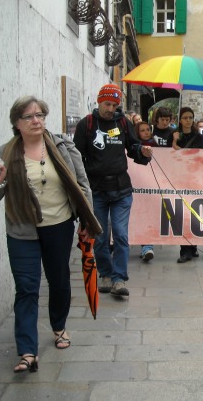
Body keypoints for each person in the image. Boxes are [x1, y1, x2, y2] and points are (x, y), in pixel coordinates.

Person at [0, 96, 101, 373]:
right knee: (27, 288)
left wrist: (87, 218)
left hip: (59, 225)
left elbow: (81, 183)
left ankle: (59, 327)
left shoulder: (62, 147)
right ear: (16, 123)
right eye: (29, 117)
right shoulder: (3, 152)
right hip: (21, 229)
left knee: (59, 279)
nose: (36, 120)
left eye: (40, 114)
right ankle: (28, 351)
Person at [74, 83, 153, 297]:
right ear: (99, 101)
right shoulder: (87, 125)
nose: (110, 108)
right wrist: (80, 188)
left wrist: (143, 152)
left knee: (120, 234)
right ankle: (106, 275)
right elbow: (76, 158)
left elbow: (133, 148)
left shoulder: (123, 123)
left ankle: (119, 279)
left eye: (114, 104)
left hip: (121, 190)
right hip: (97, 190)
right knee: (100, 236)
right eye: (107, 103)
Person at [172, 107, 203, 263]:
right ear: (180, 120)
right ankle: (184, 250)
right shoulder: (175, 136)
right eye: (185, 117)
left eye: (190, 117)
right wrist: (174, 141)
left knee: (193, 213)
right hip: (178, 178)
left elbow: (195, 156)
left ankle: (192, 245)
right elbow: (170, 154)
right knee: (181, 213)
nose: (188, 120)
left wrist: (178, 148)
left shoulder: (198, 137)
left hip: (194, 178)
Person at [135, 122, 157, 262]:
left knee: (147, 216)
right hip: (135, 187)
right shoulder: (133, 147)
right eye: (142, 130)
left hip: (151, 187)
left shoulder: (157, 147)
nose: (146, 132)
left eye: (148, 129)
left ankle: (147, 247)